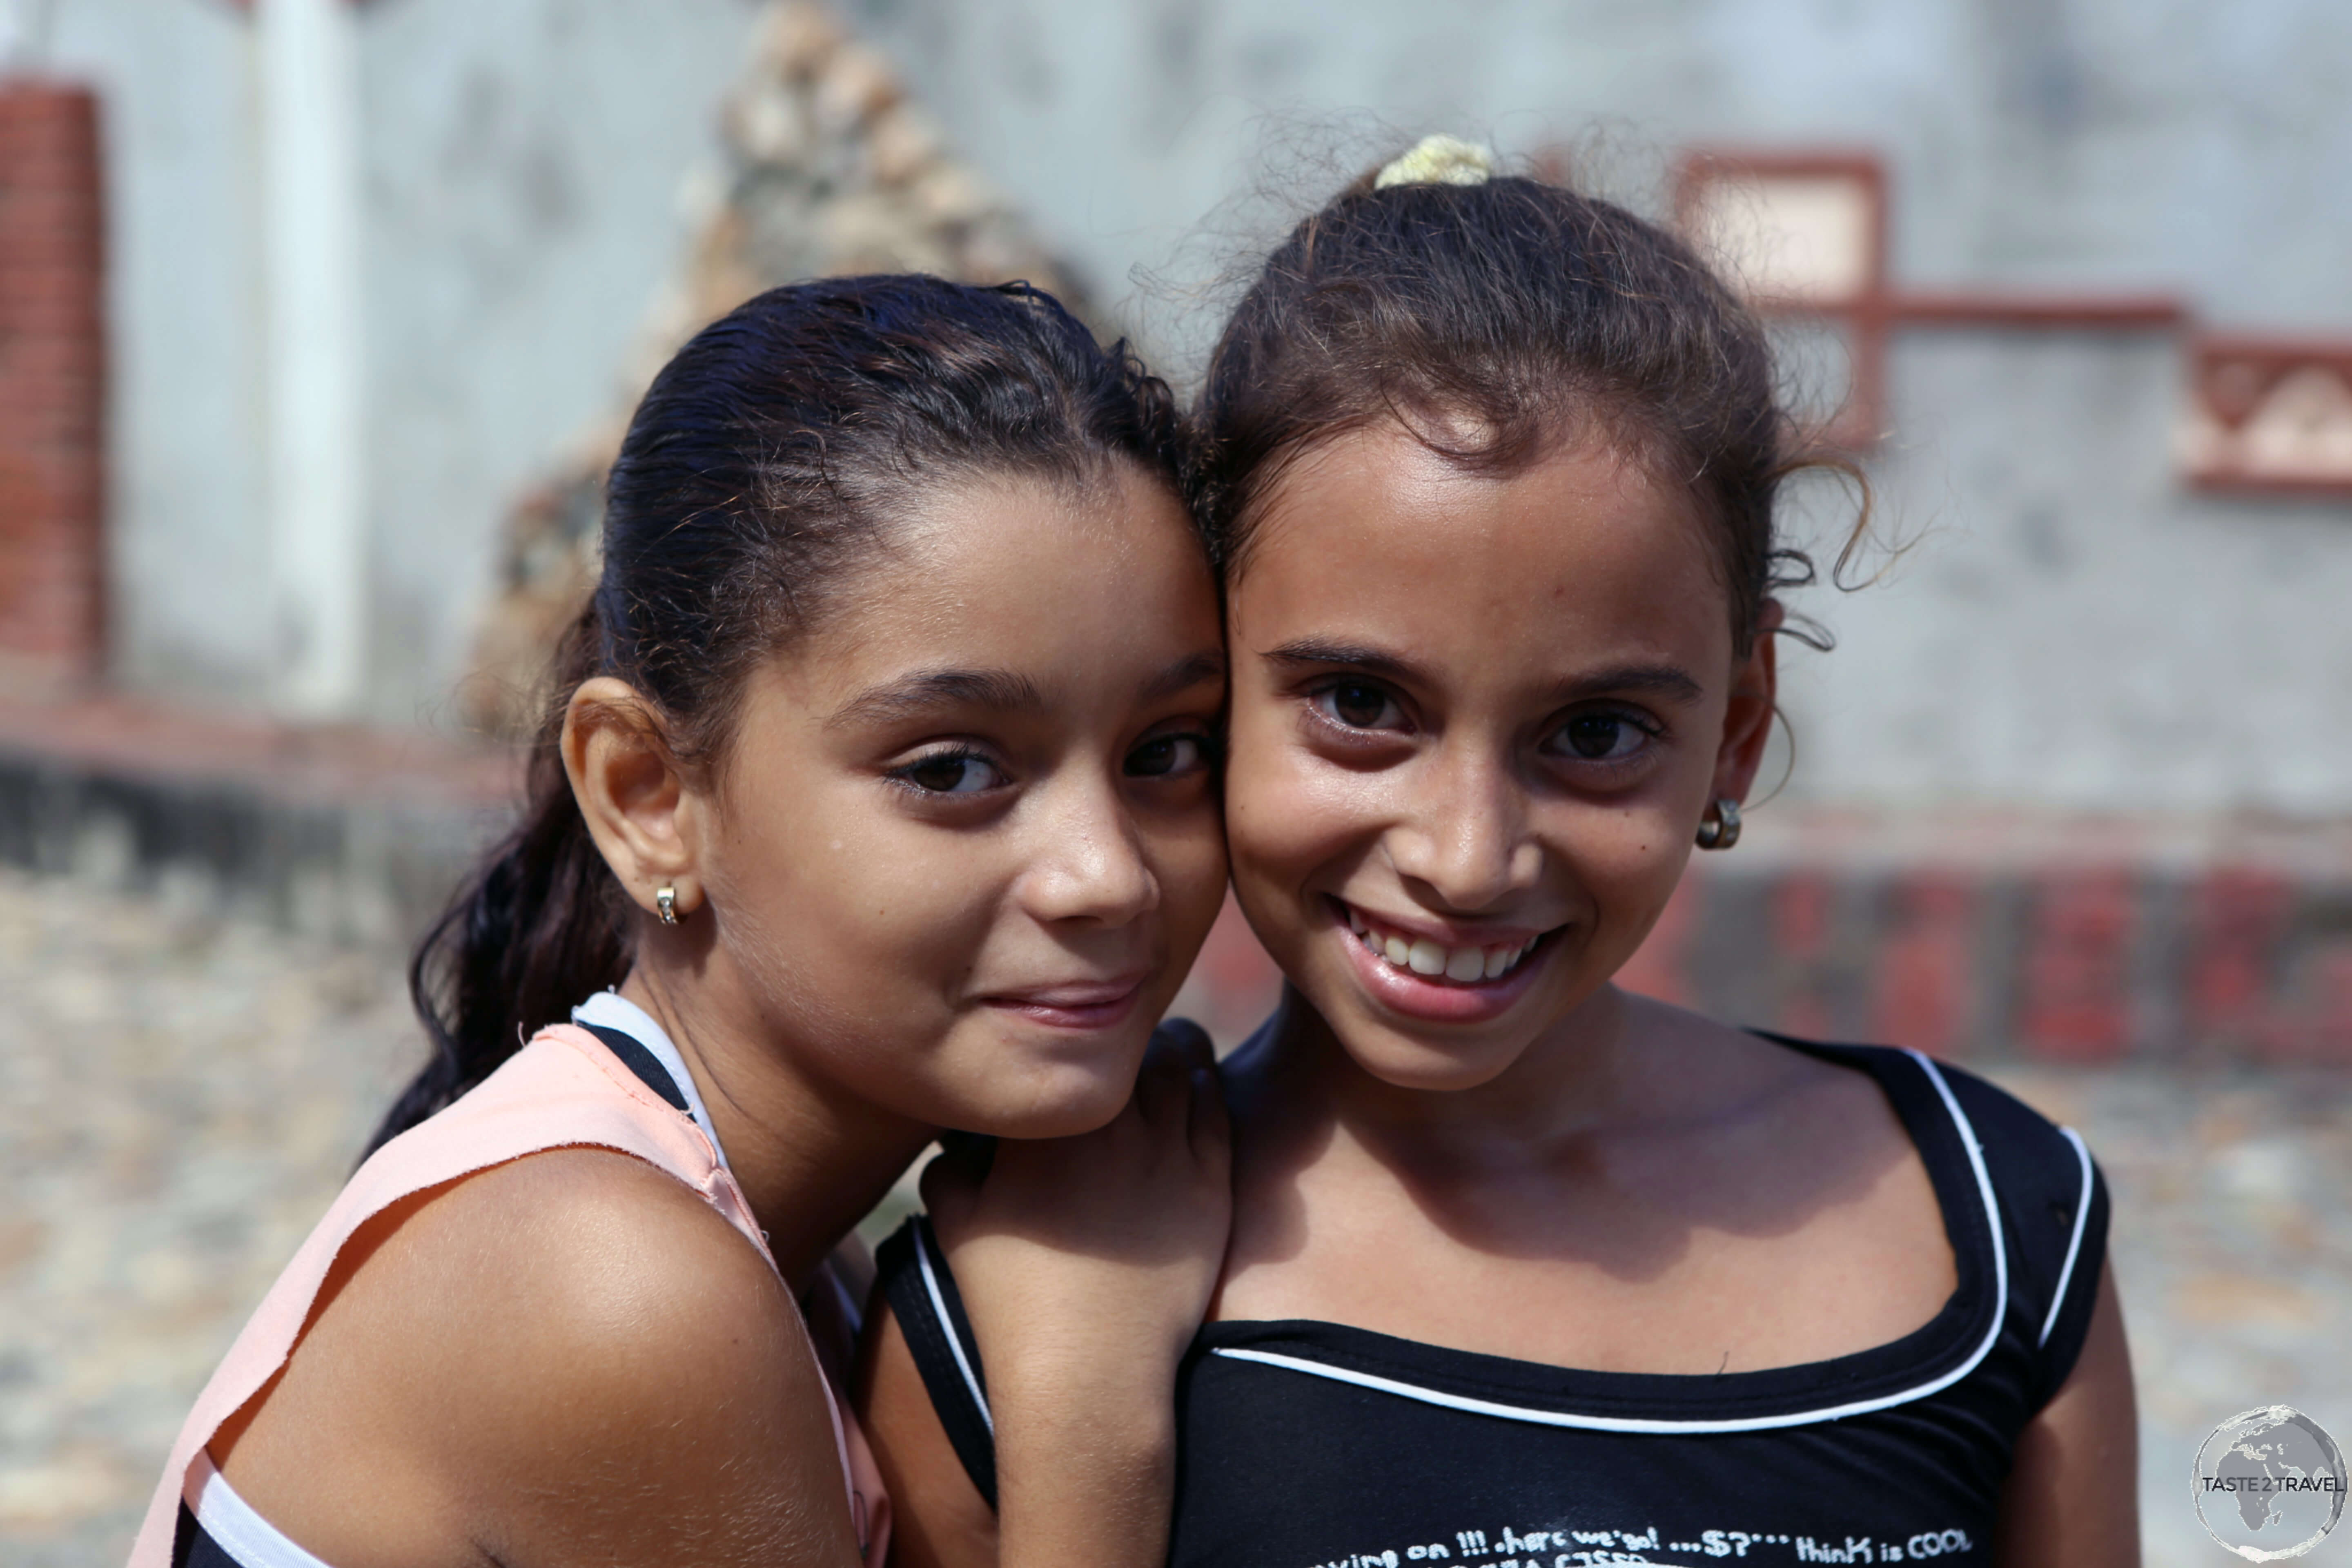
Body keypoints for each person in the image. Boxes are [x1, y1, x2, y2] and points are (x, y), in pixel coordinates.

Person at [863, 140, 2140, 1568]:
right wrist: (1087, 1429)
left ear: (1736, 727)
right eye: (1360, 707)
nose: (1469, 860)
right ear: (1209, 691)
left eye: (1593, 733)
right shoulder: (1036, 1294)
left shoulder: (1989, 1221)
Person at [130, 276, 1237, 1568]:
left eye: (1169, 750)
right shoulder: (620, 1293)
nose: (1104, 874)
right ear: (649, 796)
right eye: (951, 770)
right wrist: (1085, 1416)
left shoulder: (758, 1246)